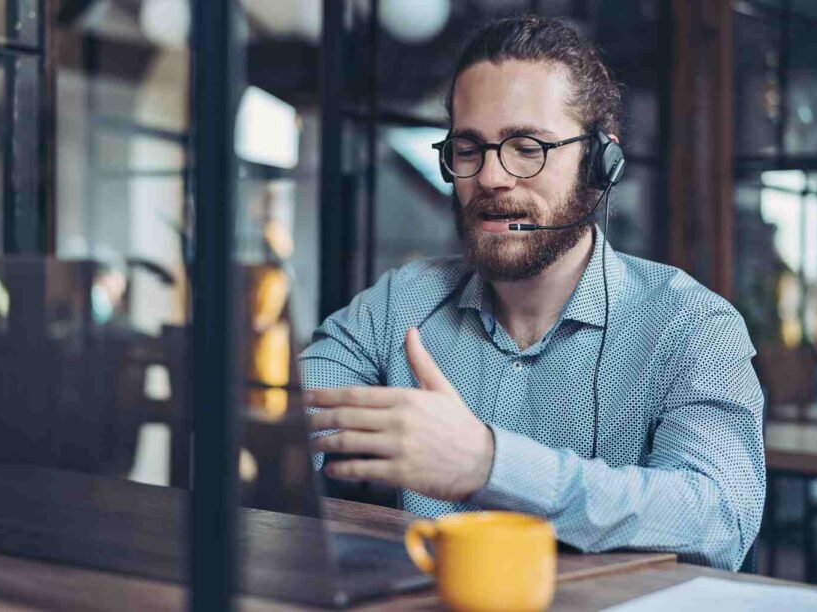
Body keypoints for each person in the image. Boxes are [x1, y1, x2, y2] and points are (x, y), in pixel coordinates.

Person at [300, 15, 764, 571]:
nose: (492, 177)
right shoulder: (402, 303)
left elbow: (716, 521)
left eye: (527, 147)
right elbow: (284, 415)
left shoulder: (692, 326)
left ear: (600, 163)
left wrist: (490, 464)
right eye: (469, 148)